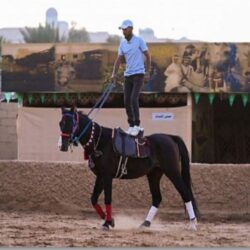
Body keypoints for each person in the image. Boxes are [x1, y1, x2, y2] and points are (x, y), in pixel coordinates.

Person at [111, 19, 151, 136]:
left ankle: (137, 125)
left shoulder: (139, 41)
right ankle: (131, 125)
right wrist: (114, 73)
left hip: (139, 74)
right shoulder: (122, 43)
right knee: (126, 101)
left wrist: (147, 72)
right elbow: (119, 59)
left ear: (131, 29)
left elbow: (148, 56)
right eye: (122, 29)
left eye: (125, 29)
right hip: (128, 75)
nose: (123, 31)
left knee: (134, 99)